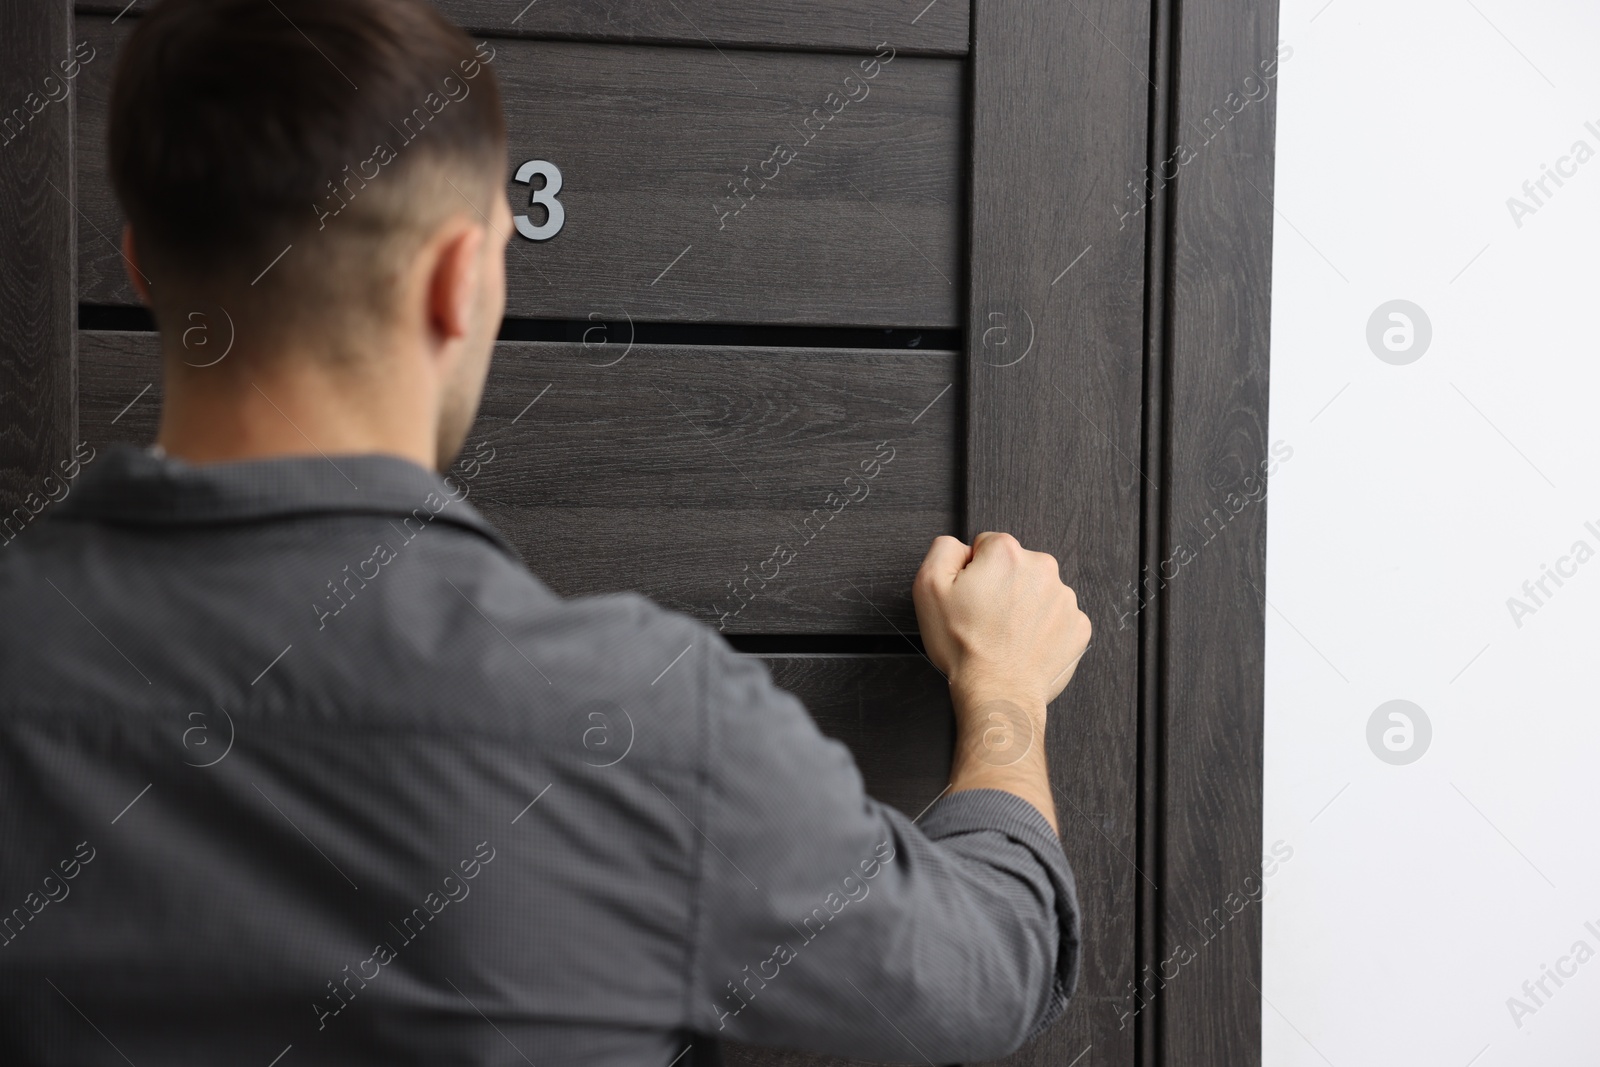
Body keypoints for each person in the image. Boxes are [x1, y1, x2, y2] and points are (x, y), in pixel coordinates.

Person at [0, 0, 1093, 1063]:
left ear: (142, 265)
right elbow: (990, 968)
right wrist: (1001, 694)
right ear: (457, 276)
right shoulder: (649, 719)